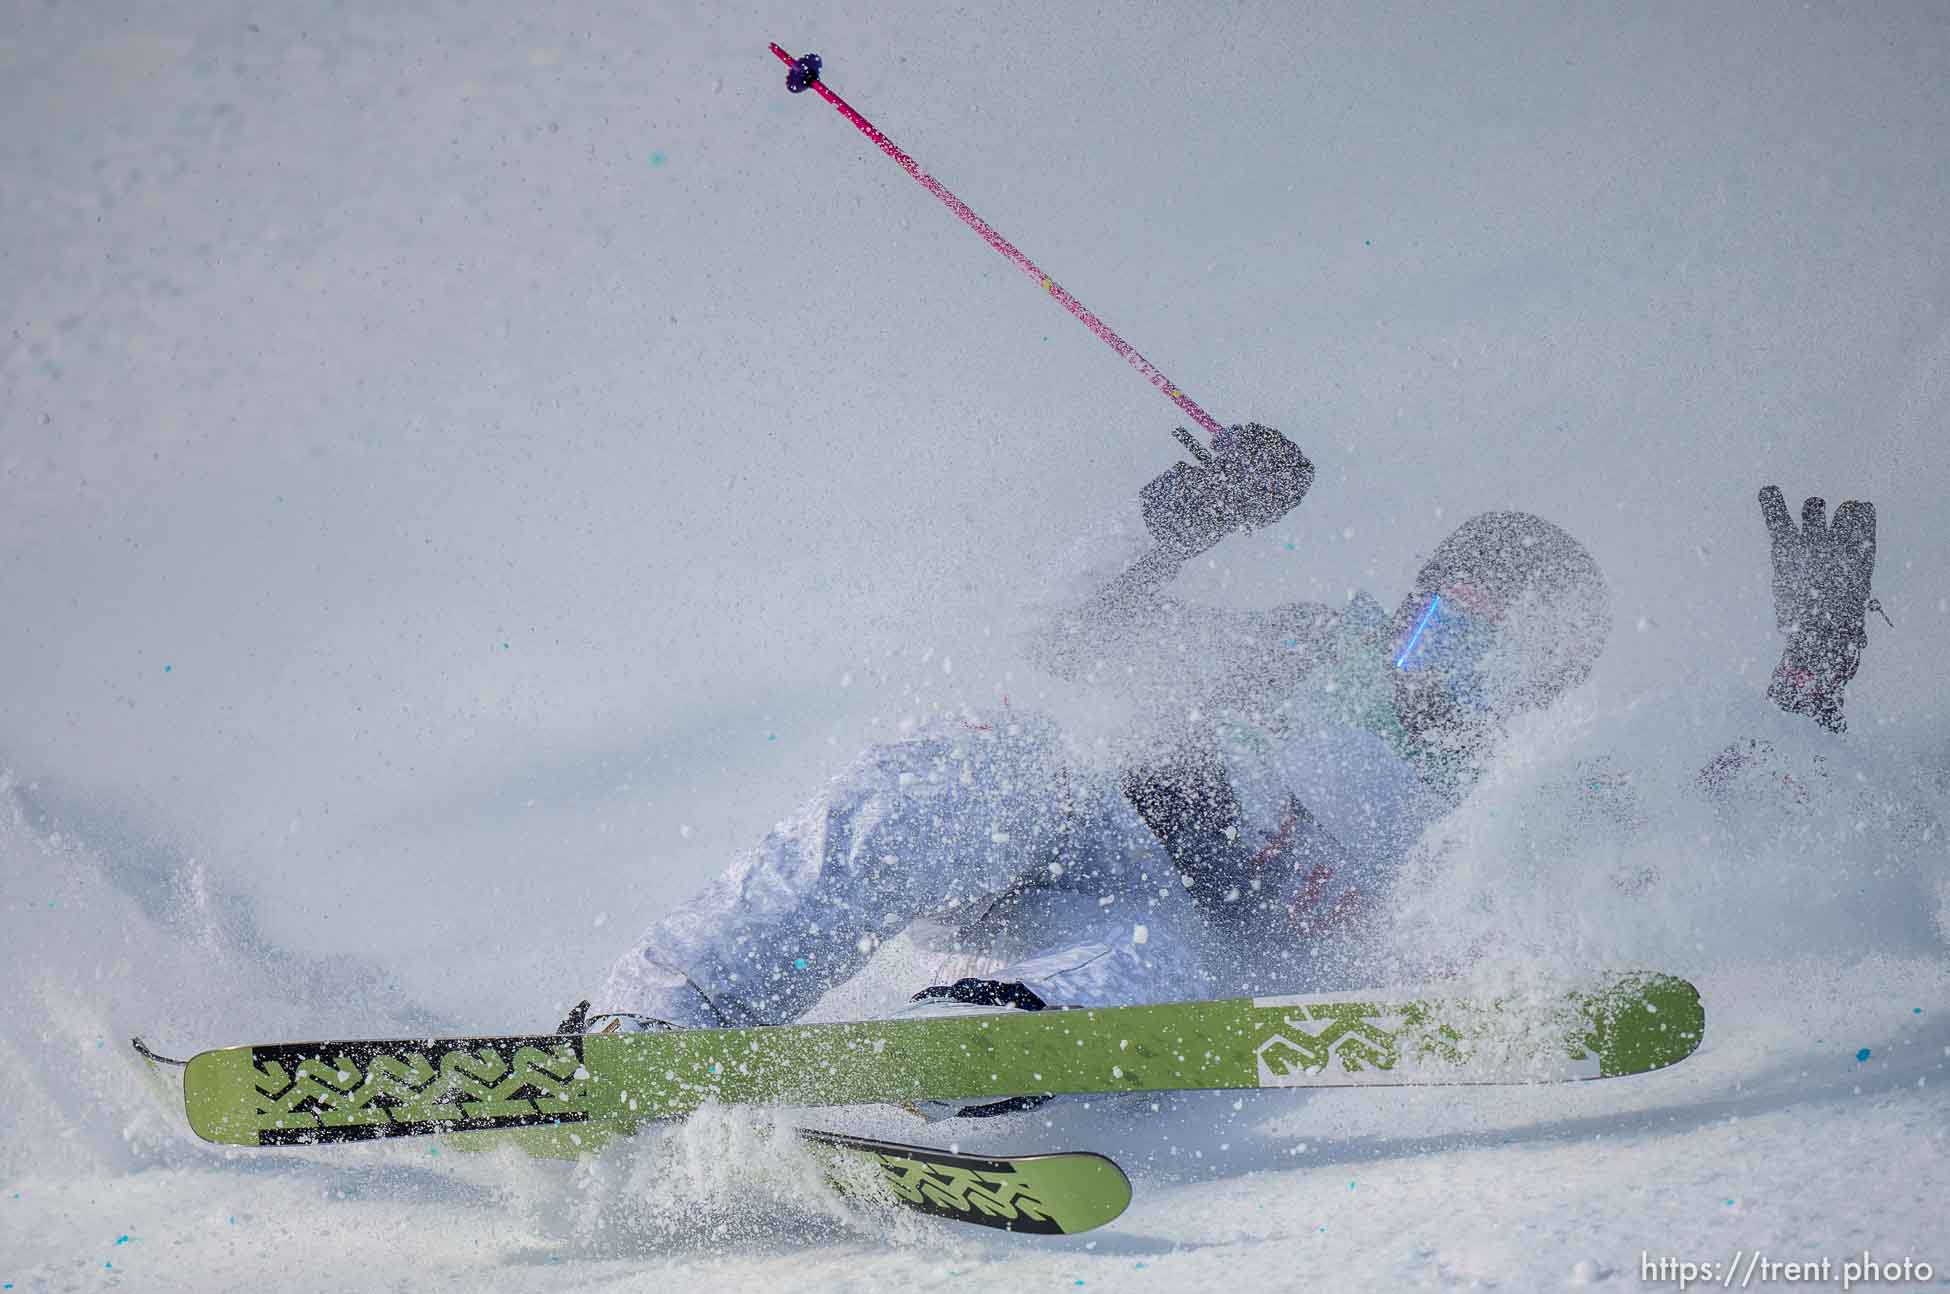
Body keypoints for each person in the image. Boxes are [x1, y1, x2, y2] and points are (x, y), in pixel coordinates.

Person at [595, 425, 1879, 1054]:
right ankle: (668, 1016)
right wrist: (1188, 509)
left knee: (1151, 975)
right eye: (1437, 624)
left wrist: (1808, 681)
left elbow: (1705, 811)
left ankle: (977, 1043)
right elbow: (1063, 628)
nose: (1440, 670)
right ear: (1410, 605)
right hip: (1089, 812)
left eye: (1488, 658)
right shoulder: (1315, 648)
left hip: (1182, 921)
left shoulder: (1516, 795)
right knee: (961, 769)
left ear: (1534, 694)